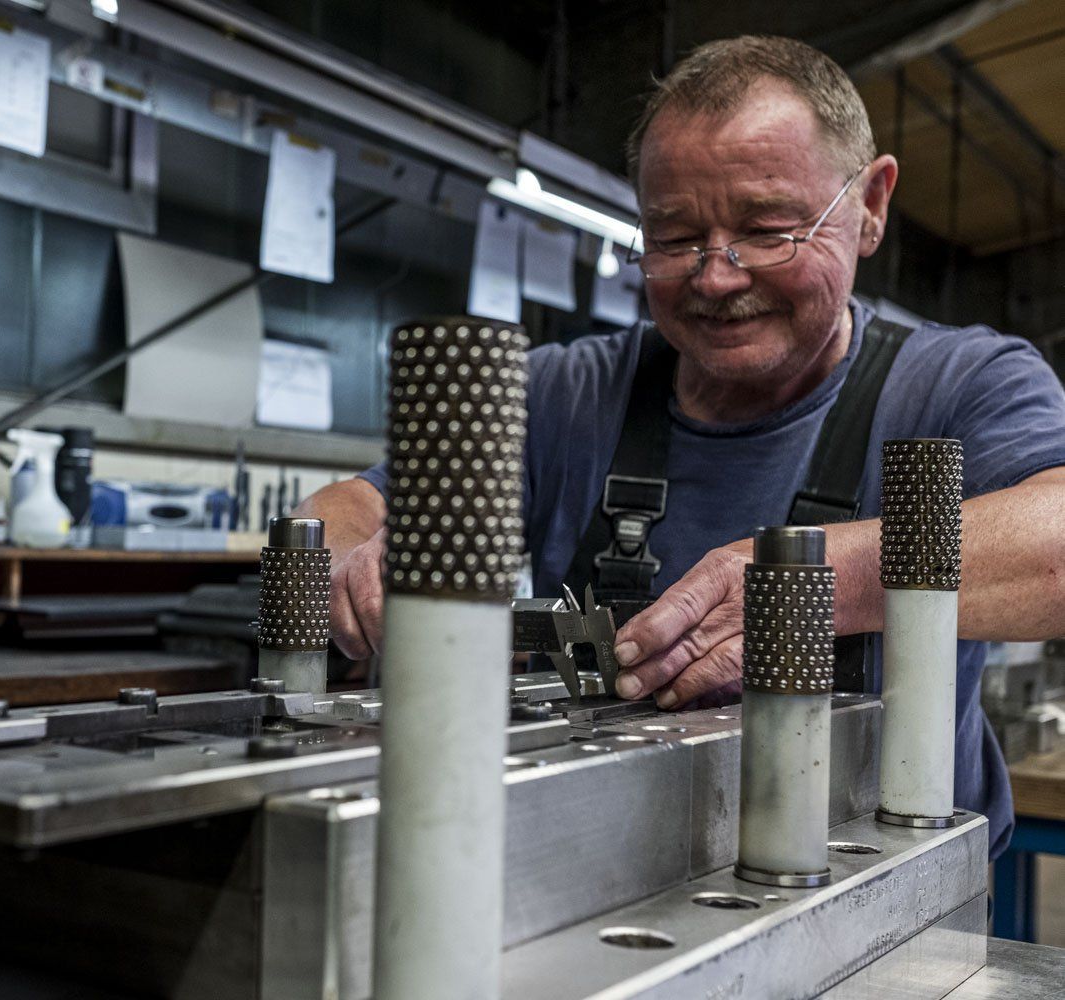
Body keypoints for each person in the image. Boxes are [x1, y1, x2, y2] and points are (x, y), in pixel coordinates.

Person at [294, 35, 1065, 859]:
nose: (716, 276)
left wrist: (822, 583)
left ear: (870, 205)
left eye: (768, 229)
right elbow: (342, 508)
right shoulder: (564, 394)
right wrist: (355, 559)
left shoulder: (961, 385)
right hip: (591, 871)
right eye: (672, 238)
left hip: (887, 898)